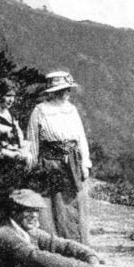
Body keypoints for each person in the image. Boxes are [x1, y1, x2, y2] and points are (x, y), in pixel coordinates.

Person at [26, 70, 92, 244]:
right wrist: (32, 166)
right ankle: (56, 246)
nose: (68, 93)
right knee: (53, 206)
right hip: (50, 162)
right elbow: (33, 141)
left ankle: (77, 245)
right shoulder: (40, 111)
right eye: (65, 90)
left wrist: (85, 162)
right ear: (55, 91)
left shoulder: (71, 110)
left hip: (72, 161)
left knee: (72, 204)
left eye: (69, 89)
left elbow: (80, 137)